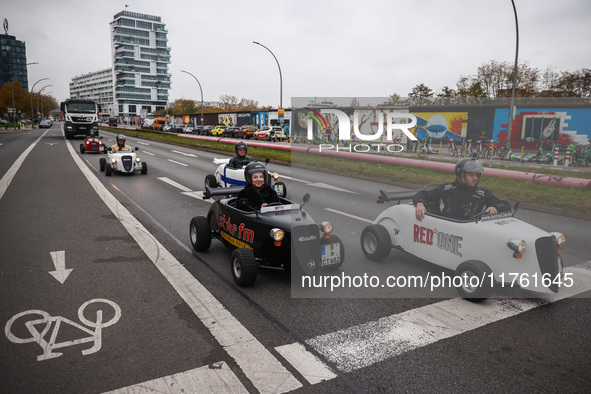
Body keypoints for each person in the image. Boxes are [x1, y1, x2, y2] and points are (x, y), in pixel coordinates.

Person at [413, 158, 509, 221]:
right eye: (471, 175)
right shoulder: (446, 188)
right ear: (460, 175)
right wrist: (420, 204)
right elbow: (422, 194)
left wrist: (495, 207)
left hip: (470, 230)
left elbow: (505, 205)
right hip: (446, 228)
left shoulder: (483, 193)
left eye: (477, 175)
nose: (475, 178)